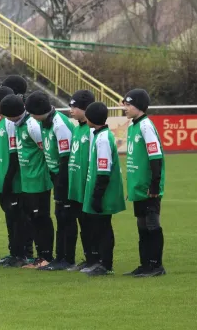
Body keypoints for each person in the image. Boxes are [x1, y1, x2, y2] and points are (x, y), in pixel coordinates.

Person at [0, 94, 54, 269]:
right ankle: (39, 258)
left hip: (38, 180)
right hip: (27, 181)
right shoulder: (19, 125)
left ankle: (45, 257)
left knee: (41, 218)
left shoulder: (32, 125)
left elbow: (46, 150)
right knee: (33, 219)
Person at [25, 91, 76, 271]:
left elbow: (66, 157)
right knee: (60, 217)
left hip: (66, 176)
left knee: (66, 218)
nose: (30, 116)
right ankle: (60, 257)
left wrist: (62, 183)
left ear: (39, 111)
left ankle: (67, 259)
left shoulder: (59, 124)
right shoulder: (46, 123)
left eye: (31, 112)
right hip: (56, 176)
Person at [123, 89, 166, 277]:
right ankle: (145, 264)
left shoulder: (146, 126)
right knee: (141, 226)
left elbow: (155, 157)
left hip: (149, 187)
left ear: (138, 106)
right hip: (138, 187)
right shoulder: (133, 126)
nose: (125, 108)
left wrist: (155, 184)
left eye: (128, 104)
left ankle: (156, 266)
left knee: (151, 224)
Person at [82, 102, 126, 276]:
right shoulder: (101, 135)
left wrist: (97, 195)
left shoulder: (102, 139)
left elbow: (103, 169)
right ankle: (101, 262)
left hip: (104, 192)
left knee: (103, 227)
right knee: (99, 227)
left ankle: (106, 264)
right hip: (101, 190)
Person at [0, 86, 31, 267]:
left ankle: (23, 253)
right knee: (10, 217)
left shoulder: (11, 122)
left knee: (19, 217)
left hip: (13, 181)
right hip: (3, 177)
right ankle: (14, 252)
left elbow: (15, 154)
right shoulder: (3, 120)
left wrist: (8, 180)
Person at [67, 90, 97, 272]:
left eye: (75, 106)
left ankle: (96, 259)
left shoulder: (92, 130)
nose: (71, 110)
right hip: (77, 186)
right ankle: (88, 258)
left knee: (92, 225)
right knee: (83, 224)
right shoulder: (77, 128)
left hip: (88, 185)